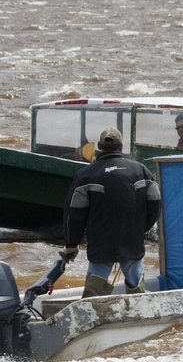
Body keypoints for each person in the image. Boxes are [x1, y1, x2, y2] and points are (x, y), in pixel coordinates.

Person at [63, 127, 162, 297]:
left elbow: (74, 215)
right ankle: (138, 317)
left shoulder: (86, 175)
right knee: (136, 286)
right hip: (132, 240)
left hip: (101, 243)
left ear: (100, 146)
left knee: (94, 289)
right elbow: (155, 204)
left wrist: (72, 244)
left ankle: (92, 316)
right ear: (121, 146)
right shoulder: (141, 170)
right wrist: (141, 228)